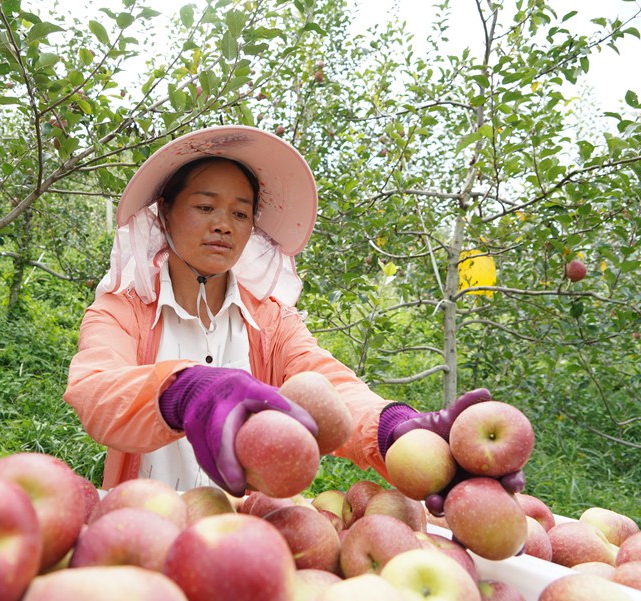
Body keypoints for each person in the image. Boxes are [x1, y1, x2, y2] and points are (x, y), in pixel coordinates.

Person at [63, 125, 523, 506]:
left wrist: (393, 428)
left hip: (246, 540)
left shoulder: (271, 320)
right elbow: (97, 390)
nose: (223, 224)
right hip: (143, 528)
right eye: (205, 207)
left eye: (240, 214)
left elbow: (328, 385)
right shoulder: (122, 310)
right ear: (165, 213)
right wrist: (184, 391)